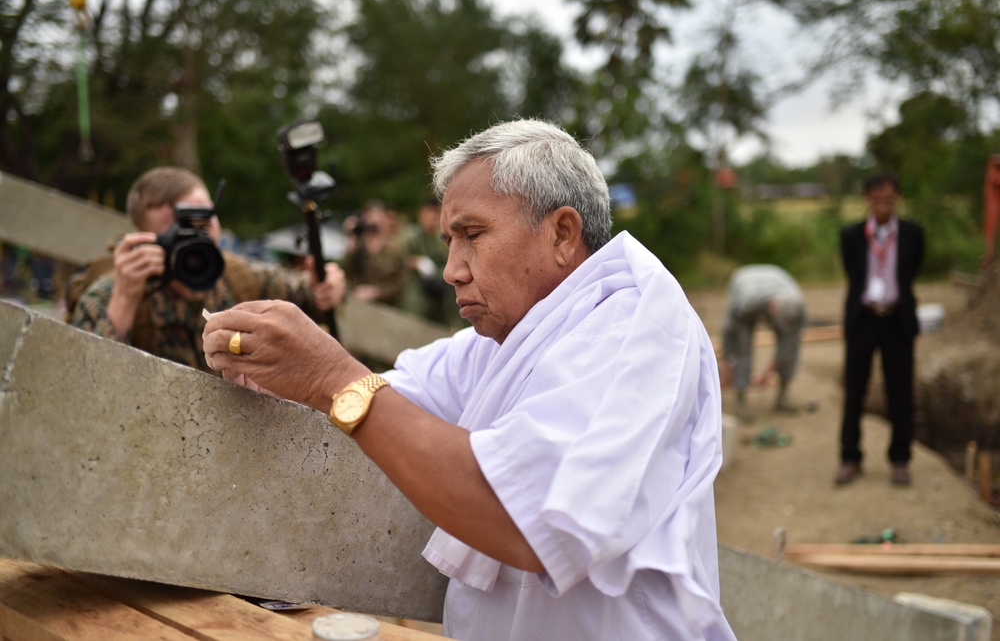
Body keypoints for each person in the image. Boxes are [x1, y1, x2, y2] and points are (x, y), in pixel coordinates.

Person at [201, 119, 735, 641]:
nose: (452, 269)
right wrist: (278, 372)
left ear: (563, 234)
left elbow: (525, 515)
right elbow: (393, 402)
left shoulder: (632, 329)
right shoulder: (502, 340)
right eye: (448, 241)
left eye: (473, 235)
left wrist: (330, 378)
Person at [70, 166, 346, 374]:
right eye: (179, 233)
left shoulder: (237, 276)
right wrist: (125, 300)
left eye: (205, 226)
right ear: (145, 239)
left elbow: (305, 293)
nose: (197, 242)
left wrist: (326, 285)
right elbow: (90, 380)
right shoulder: (106, 297)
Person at [836, 174, 925, 486]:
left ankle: (900, 460)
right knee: (854, 391)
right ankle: (850, 457)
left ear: (897, 198)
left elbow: (912, 270)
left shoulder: (913, 234)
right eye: (876, 199)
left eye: (888, 199)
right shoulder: (851, 235)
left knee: (900, 392)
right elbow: (853, 271)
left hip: (897, 320)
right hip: (864, 319)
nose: (882, 205)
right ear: (867, 200)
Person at [720, 264, 806, 417]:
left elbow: (789, 343)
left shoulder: (798, 308)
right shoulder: (746, 302)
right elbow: (728, 330)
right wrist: (727, 360)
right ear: (773, 308)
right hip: (745, 283)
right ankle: (740, 402)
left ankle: (782, 398)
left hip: (775, 281)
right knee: (742, 345)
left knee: (791, 343)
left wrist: (770, 371)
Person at [399, 197, 459, 327]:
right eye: (429, 214)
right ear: (421, 214)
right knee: (414, 320)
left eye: (435, 214)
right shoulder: (411, 235)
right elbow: (400, 259)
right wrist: (417, 262)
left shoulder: (441, 238)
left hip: (439, 291)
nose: (432, 219)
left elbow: (449, 259)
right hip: (417, 292)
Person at [341, 200, 410, 308]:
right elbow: (344, 272)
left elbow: (401, 281)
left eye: (377, 216)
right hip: (357, 304)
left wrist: (377, 291)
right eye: (370, 216)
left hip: (385, 308)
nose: (373, 220)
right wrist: (351, 242)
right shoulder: (359, 245)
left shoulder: (395, 248)